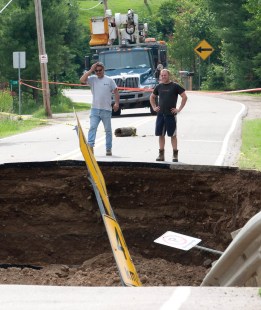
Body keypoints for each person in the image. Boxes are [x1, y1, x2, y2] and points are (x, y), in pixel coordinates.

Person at [80, 62, 120, 156]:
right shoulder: (92, 79)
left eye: (100, 70)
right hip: (95, 109)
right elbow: (82, 80)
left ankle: (108, 149)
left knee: (108, 130)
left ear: (103, 70)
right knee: (92, 127)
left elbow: (116, 92)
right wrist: (90, 70)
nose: (98, 72)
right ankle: (90, 146)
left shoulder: (109, 80)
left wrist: (117, 103)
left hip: (106, 109)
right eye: (96, 71)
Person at [150, 69, 187, 162]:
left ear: (168, 75)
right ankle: (161, 155)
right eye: (161, 75)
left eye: (165, 75)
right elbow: (152, 97)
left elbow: (184, 97)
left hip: (171, 115)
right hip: (160, 115)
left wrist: (179, 109)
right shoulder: (159, 86)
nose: (163, 77)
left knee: (173, 135)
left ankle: (175, 155)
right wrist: (154, 107)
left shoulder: (175, 86)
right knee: (160, 135)